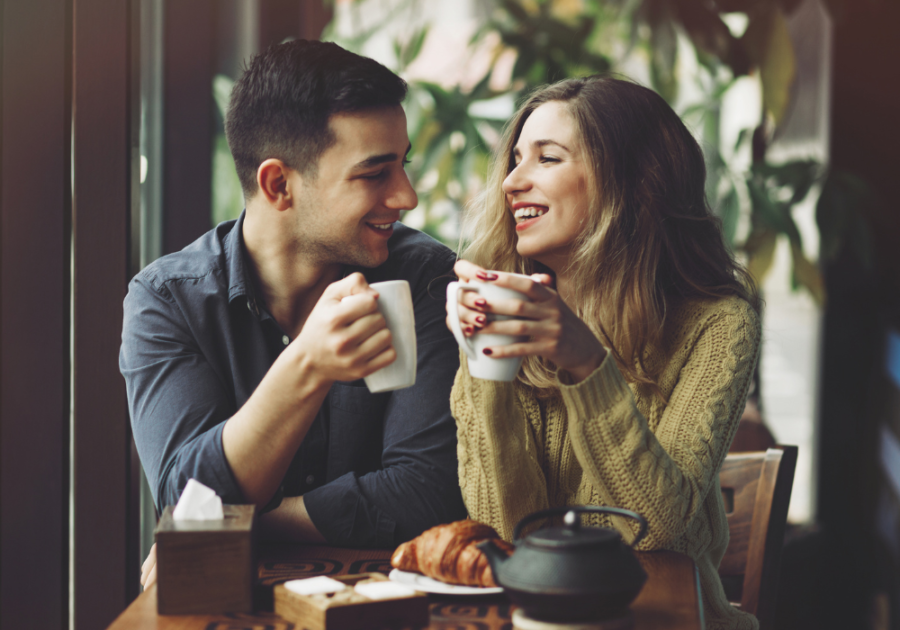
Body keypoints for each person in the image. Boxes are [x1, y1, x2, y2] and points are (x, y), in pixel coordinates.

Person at [120, 40, 466, 587]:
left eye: (403, 165)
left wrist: (253, 521)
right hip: (223, 602)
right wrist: (308, 363)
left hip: (393, 604)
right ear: (278, 184)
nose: (407, 196)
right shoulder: (167, 300)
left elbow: (428, 493)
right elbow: (189, 494)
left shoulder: (424, 277)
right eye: (375, 173)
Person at [449, 76, 761, 630]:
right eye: (515, 160)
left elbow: (656, 527)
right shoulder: (507, 310)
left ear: (635, 180)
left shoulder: (718, 324)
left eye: (547, 158)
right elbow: (506, 533)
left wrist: (587, 363)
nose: (512, 182)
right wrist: (484, 363)